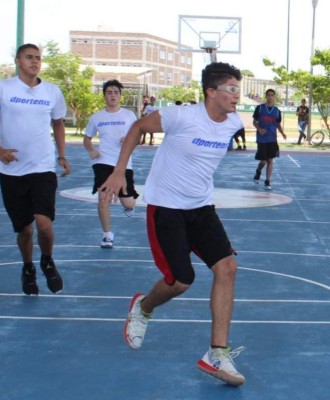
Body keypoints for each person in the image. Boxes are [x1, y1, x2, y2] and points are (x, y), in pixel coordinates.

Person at [99, 62, 246, 386]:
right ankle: (144, 307)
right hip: (166, 208)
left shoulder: (234, 122)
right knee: (181, 281)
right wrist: (119, 171)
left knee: (227, 268)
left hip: (201, 208)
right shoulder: (181, 116)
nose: (237, 95)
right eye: (231, 89)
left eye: (239, 89)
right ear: (211, 92)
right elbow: (137, 127)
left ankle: (217, 353)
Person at [0, 43, 69, 296]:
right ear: (18, 61)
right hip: (12, 172)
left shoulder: (52, 91)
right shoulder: (2, 88)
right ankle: (28, 267)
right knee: (25, 229)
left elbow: (58, 124)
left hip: (43, 168)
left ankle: (47, 260)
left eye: (38, 57)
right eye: (29, 57)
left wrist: (62, 155)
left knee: (44, 225)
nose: (35, 61)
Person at [83, 79, 139, 249]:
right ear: (104, 96)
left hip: (123, 163)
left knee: (128, 203)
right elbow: (87, 138)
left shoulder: (129, 116)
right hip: (103, 161)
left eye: (116, 92)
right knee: (103, 199)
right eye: (109, 92)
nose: (113, 95)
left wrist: (129, 139)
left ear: (120, 96)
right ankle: (107, 235)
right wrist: (91, 150)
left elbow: (138, 137)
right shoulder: (96, 117)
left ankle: (129, 207)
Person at [252, 88, 287, 190]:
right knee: (263, 161)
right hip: (262, 138)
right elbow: (254, 122)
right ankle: (258, 171)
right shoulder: (260, 108)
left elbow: (278, 124)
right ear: (266, 96)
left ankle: (267, 181)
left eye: (272, 95)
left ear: (274, 97)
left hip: (272, 139)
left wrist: (283, 133)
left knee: (270, 160)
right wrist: (259, 129)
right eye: (269, 95)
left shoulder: (277, 111)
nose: (270, 97)